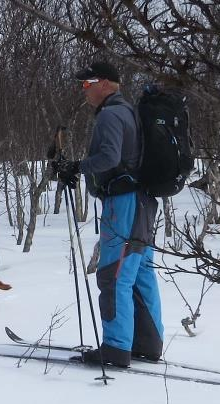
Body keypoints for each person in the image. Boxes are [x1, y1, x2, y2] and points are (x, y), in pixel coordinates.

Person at [54, 61, 164, 367]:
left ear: (105, 83)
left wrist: (76, 166)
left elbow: (109, 157)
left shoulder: (111, 114)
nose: (84, 90)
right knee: (140, 273)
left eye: (88, 84)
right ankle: (148, 344)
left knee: (113, 273)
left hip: (124, 202)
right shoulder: (130, 111)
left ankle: (116, 348)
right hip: (143, 201)